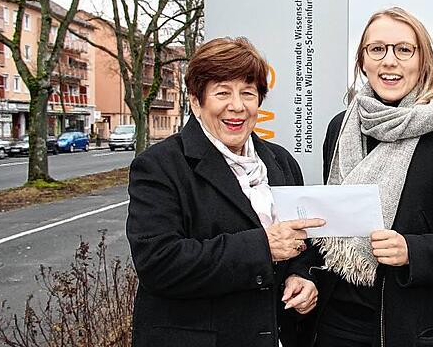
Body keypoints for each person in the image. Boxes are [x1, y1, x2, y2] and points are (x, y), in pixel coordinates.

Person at [308, 7, 433, 347]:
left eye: (404, 50)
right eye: (376, 49)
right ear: (363, 61)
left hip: (416, 329)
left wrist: (413, 250)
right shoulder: (340, 128)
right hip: (338, 323)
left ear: (423, 61)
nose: (389, 61)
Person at [126, 37, 325, 347]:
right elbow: (159, 264)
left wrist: (304, 277)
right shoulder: (160, 166)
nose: (237, 106)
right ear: (196, 101)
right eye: (222, 93)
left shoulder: (281, 161)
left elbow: (303, 242)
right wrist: (262, 247)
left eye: (248, 93)